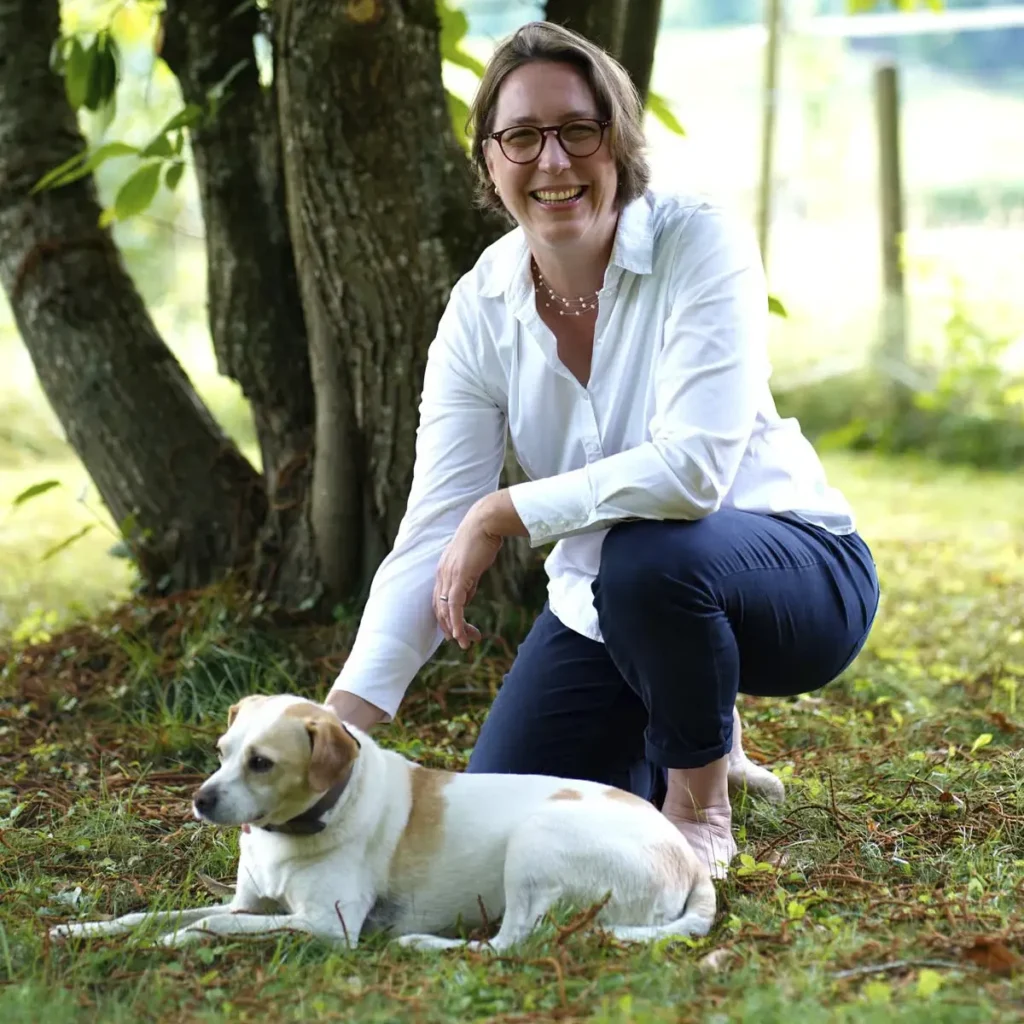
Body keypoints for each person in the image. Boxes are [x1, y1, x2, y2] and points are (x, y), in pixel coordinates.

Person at [325, 21, 879, 878]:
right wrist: (330, 729)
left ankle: (700, 804)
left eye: (577, 130)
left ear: (617, 139)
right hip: (607, 606)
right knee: (504, 814)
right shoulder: (480, 309)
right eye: (521, 137)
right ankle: (693, 725)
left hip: (797, 575)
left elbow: (692, 473)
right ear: (488, 161)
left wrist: (508, 510)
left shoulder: (699, 243)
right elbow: (434, 532)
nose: (553, 161)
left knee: (650, 557)